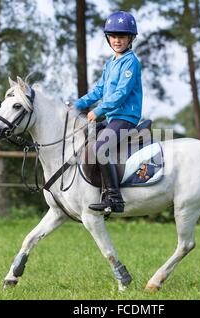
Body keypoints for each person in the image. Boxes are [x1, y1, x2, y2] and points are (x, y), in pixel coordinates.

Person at [74, 11, 142, 213]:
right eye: (113, 36)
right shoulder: (110, 63)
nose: (117, 40)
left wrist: (99, 110)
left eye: (121, 37)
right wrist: (75, 106)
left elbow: (121, 93)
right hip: (112, 118)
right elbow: (98, 90)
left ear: (130, 39)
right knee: (84, 138)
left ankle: (114, 197)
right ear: (108, 38)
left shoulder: (131, 62)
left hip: (125, 118)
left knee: (99, 148)